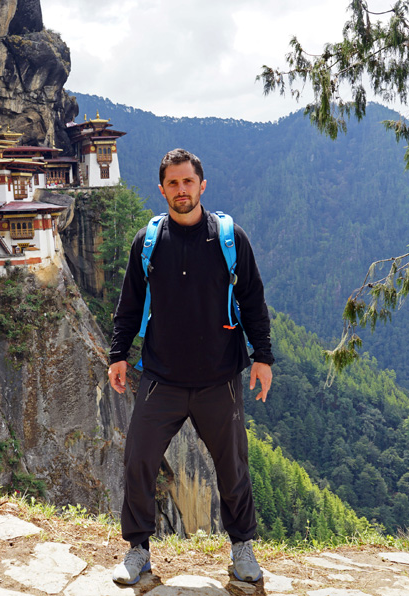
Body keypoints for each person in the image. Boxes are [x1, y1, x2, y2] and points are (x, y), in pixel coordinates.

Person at [107, 148, 275, 585]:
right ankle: (138, 551)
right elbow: (128, 306)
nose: (181, 190)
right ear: (162, 189)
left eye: (188, 182)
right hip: (161, 376)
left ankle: (241, 548)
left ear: (202, 185)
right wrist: (117, 355)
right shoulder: (148, 243)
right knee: (138, 459)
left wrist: (263, 357)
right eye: (173, 183)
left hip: (220, 376)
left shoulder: (229, 237)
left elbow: (253, 299)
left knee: (232, 466)